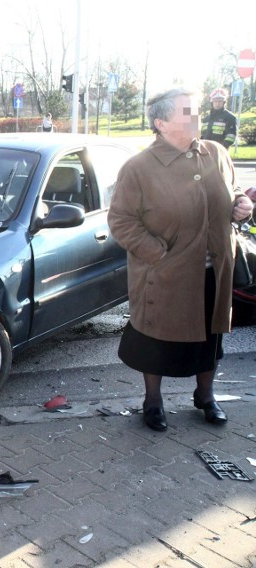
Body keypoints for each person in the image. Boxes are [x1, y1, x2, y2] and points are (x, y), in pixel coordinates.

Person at [108, 88, 253, 432]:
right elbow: (121, 221)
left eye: (196, 110)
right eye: (187, 112)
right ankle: (153, 401)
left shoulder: (216, 153)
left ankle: (205, 396)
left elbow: (229, 193)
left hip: (213, 271)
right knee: (156, 342)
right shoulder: (139, 168)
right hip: (165, 275)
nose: (197, 117)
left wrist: (241, 207)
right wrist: (158, 254)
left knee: (211, 338)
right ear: (161, 123)